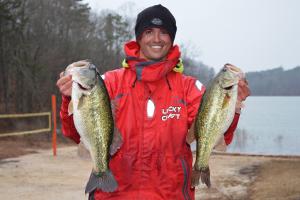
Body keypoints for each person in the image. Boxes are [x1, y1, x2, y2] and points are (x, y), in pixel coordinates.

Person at [56, 4, 250, 200]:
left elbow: (217, 132)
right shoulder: (109, 83)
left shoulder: (190, 89)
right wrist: (69, 99)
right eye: (149, 31)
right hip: (112, 195)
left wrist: (234, 106)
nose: (156, 39)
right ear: (139, 37)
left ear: (171, 39)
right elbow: (75, 133)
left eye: (164, 32)